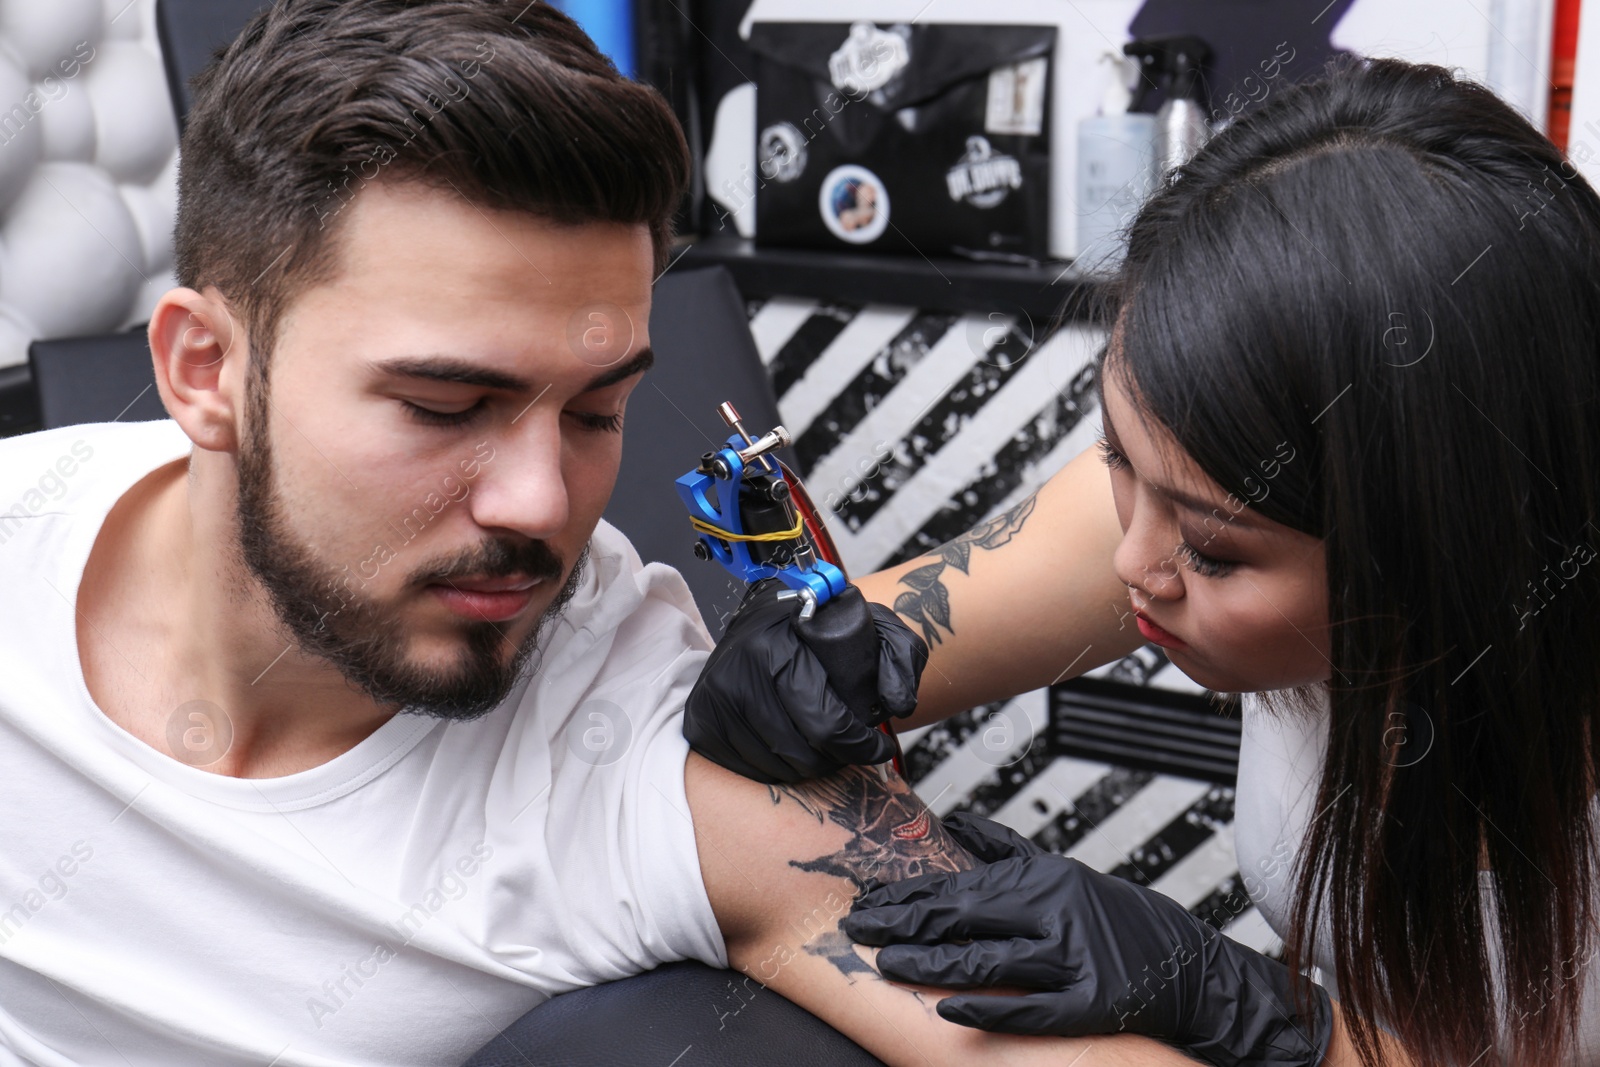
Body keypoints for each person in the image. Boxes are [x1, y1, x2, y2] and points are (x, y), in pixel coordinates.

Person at [0, 2, 1215, 1065]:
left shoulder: (632, 754)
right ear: (205, 369)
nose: (541, 504)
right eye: (443, 405)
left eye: (598, 410)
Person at [685, 56, 1600, 1066]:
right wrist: (809, 665)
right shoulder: (1202, 484)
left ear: (1442, 554)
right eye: (1115, 454)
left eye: (1211, 550)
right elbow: (841, 684)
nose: (1131, 561)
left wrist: (1243, 1003)